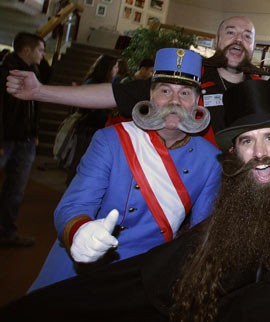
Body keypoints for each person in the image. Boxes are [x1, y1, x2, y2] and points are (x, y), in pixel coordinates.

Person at [0, 80, 270, 322]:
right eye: (246, 142)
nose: (260, 153)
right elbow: (186, 258)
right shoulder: (237, 201)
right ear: (232, 154)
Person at [28, 47, 222, 291]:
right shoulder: (111, 140)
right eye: (165, 91)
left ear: (196, 100)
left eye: (185, 92)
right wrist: (80, 232)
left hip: (139, 276)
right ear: (151, 96)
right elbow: (73, 205)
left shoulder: (211, 159)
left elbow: (199, 234)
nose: (174, 101)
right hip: (80, 266)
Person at [5, 16, 259, 139]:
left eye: (247, 36)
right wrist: (40, 91)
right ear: (217, 40)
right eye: (231, 32)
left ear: (254, 45)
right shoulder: (188, 73)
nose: (238, 40)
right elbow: (115, 94)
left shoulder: (261, 91)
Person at [0, 32, 46, 247]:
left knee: (16, 190)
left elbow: (35, 107)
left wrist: (34, 132)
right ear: (27, 50)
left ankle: (6, 232)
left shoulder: (34, 72)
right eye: (40, 50)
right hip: (6, 139)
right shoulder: (6, 72)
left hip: (25, 139)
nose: (43, 54)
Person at [66, 54, 120, 182]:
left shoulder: (105, 83)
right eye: (115, 66)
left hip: (95, 129)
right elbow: (88, 108)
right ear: (108, 68)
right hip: (89, 129)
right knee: (80, 162)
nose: (117, 69)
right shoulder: (94, 84)